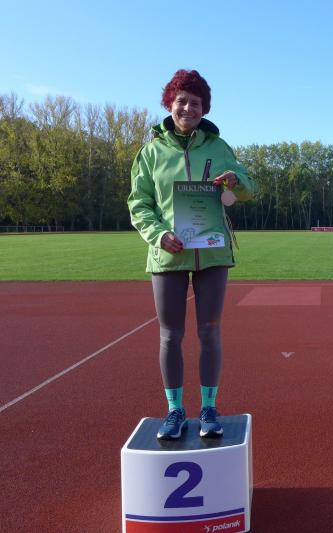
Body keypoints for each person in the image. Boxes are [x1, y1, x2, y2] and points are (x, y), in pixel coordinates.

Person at [128, 69, 254, 439]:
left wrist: (236, 181)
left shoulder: (219, 147)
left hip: (211, 252)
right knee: (170, 335)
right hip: (169, 253)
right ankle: (175, 411)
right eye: (182, 101)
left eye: (196, 103)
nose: (188, 108)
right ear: (170, 103)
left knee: (210, 331)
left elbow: (249, 189)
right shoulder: (151, 152)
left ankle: (209, 408)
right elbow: (139, 203)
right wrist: (158, 235)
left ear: (204, 108)